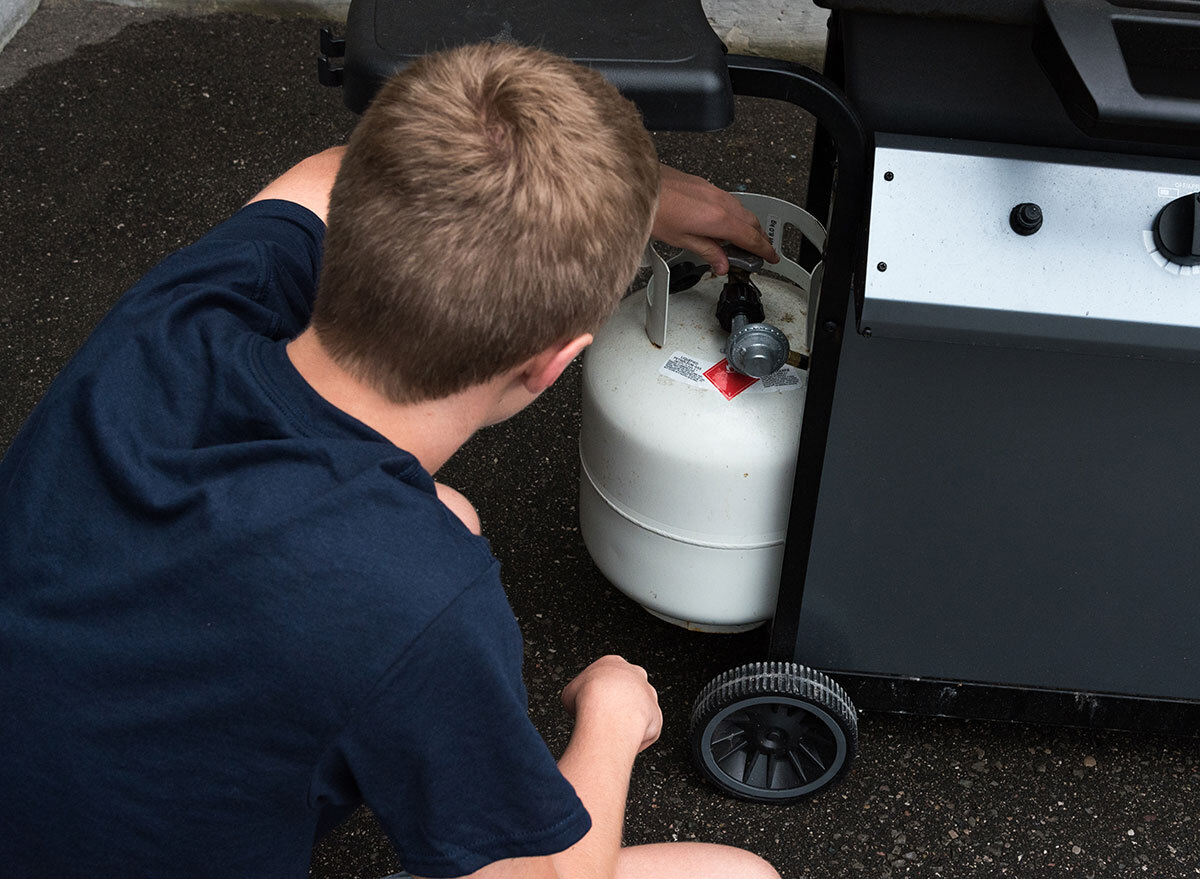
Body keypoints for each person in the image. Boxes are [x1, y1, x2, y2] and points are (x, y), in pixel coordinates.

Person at [0, 42, 778, 879]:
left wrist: (629, 196)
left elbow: (326, 173)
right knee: (736, 875)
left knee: (449, 519)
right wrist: (612, 717)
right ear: (552, 364)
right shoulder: (418, 598)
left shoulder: (188, 311)